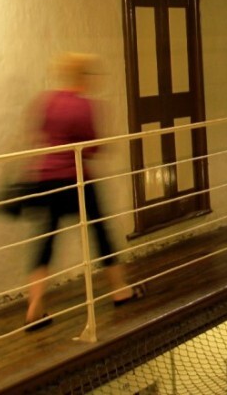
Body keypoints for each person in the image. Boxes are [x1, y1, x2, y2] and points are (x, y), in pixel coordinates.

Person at [25, 53, 137, 332]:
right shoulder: (85, 107)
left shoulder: (48, 101)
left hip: (46, 178)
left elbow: (38, 135)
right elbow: (93, 147)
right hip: (76, 180)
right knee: (101, 232)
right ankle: (120, 289)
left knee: (45, 242)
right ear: (84, 77)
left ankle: (33, 308)